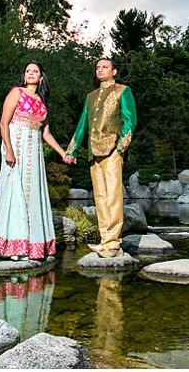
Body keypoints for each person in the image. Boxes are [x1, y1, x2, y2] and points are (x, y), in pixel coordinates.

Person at [0, 62, 66, 261]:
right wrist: (9, 149)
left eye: (35, 71)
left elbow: (46, 133)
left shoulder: (42, 103)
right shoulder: (16, 92)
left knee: (32, 193)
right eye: (28, 71)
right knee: (14, 192)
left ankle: (32, 245)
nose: (30, 74)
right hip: (16, 146)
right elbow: (3, 123)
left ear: (41, 77)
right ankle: (12, 245)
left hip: (34, 152)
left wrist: (63, 153)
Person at [64, 57, 137, 258]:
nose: (100, 70)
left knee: (113, 196)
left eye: (105, 67)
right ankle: (105, 240)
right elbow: (82, 125)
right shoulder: (91, 96)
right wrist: (72, 149)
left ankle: (114, 243)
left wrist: (120, 148)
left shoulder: (123, 90)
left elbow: (130, 121)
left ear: (114, 71)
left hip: (113, 149)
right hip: (93, 151)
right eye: (97, 67)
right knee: (100, 197)